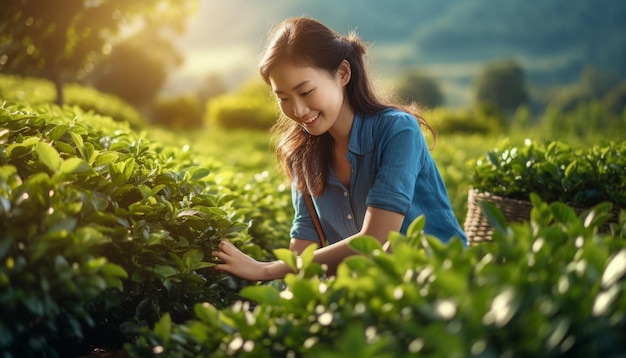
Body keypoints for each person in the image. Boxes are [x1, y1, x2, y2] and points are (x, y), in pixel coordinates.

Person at [212, 17, 467, 281]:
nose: (297, 110)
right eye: (284, 98)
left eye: (307, 92)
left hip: (443, 286)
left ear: (343, 73)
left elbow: (376, 240)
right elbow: (302, 254)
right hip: (372, 297)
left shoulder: (397, 131)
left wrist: (265, 269)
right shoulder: (302, 156)